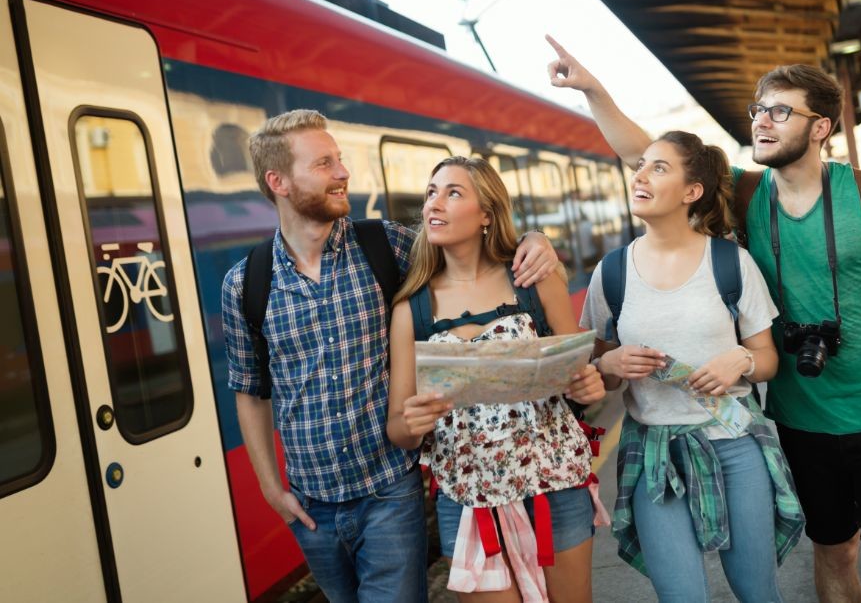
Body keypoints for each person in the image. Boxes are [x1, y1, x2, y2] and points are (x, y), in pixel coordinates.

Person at [546, 36, 861, 603]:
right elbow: (648, 154)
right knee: (835, 552)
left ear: (821, 126)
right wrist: (593, 90)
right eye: (759, 109)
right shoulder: (748, 192)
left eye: (781, 111)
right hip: (799, 417)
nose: (762, 120)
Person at [221, 111, 559, 603]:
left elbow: (473, 251)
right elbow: (251, 390)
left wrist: (533, 240)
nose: (343, 172)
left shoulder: (386, 246)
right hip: (311, 505)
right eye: (324, 163)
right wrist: (272, 490)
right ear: (279, 182)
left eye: (339, 159)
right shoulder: (246, 283)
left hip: (389, 491)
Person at [579, 130, 803, 602]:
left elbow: (767, 360)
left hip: (736, 444)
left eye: (658, 167)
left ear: (691, 192)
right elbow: (600, 369)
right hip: (653, 455)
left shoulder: (730, 263)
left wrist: (739, 360)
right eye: (640, 165)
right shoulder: (611, 273)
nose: (640, 174)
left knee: (757, 592)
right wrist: (611, 361)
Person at [386, 156, 606, 603]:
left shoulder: (533, 280)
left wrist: (588, 385)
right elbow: (399, 429)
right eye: (431, 192)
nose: (435, 204)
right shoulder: (411, 309)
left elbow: (579, 375)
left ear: (487, 213)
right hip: (469, 502)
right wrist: (412, 423)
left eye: (453, 193)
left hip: (555, 483)